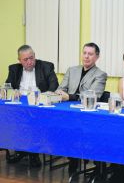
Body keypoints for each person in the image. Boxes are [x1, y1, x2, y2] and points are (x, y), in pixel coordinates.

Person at [56, 42, 107, 177]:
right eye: (84, 53)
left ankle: (81, 161)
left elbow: (94, 95)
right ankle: (72, 157)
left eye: (90, 54)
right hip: (68, 114)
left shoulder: (100, 74)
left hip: (87, 117)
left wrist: (70, 96)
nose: (86, 57)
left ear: (97, 57)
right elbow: (60, 89)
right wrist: (60, 94)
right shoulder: (71, 70)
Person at [6, 44, 59, 167]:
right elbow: (7, 87)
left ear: (35, 56)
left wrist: (43, 96)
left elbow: (54, 86)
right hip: (19, 105)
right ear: (19, 60)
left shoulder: (46, 66)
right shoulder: (14, 69)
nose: (30, 62)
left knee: (31, 119)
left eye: (31, 58)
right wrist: (13, 91)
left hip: (39, 105)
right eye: (26, 59)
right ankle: (21, 149)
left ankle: (32, 153)